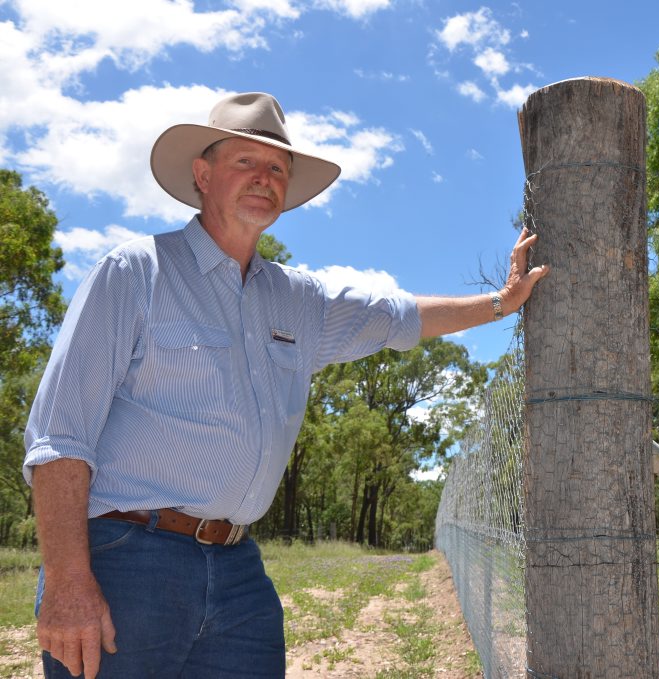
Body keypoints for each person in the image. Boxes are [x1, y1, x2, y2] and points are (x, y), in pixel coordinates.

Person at [23, 92, 548, 679]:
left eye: (277, 168)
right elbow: (60, 437)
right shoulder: (134, 273)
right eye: (245, 161)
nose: (264, 178)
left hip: (239, 570)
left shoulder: (298, 300)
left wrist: (501, 303)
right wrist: (68, 581)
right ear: (202, 173)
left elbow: (401, 316)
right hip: (127, 558)